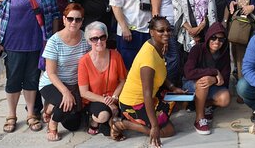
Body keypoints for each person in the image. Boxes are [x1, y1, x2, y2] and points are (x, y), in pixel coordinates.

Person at [0, 0, 60, 134]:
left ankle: (31, 114)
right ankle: (11, 115)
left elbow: (53, 15)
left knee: (32, 79)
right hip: (13, 42)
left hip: (37, 42)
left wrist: (53, 40)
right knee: (13, 79)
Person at [112, 16, 185, 147]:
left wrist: (173, 87)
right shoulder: (148, 58)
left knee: (181, 102)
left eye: (168, 30)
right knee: (169, 130)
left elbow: (160, 72)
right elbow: (146, 94)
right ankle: (124, 124)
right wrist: (155, 126)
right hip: (134, 103)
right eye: (161, 31)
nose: (166, 34)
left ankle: (150, 120)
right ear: (151, 32)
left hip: (150, 95)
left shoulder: (157, 45)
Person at [38, 4, 91, 141]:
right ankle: (52, 124)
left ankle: (50, 108)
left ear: (82, 21)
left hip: (74, 83)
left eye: (78, 19)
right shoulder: (54, 41)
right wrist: (65, 92)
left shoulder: (86, 38)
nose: (74, 22)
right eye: (70, 19)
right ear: (64, 19)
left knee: (73, 125)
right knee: (66, 102)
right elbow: (51, 73)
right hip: (52, 83)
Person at [78, 21, 128, 137]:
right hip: (95, 99)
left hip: (114, 97)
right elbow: (84, 92)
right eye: (94, 39)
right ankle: (95, 120)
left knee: (109, 130)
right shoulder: (84, 61)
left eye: (102, 37)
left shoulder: (115, 56)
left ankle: (103, 123)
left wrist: (114, 98)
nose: (99, 42)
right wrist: (106, 101)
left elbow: (122, 80)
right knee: (103, 115)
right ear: (89, 41)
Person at [183, 22, 231, 135]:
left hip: (212, 85)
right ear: (208, 37)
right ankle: (199, 118)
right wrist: (213, 72)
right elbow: (188, 72)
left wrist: (214, 79)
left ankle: (204, 105)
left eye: (221, 39)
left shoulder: (224, 53)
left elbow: (226, 78)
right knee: (204, 81)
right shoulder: (197, 49)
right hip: (191, 83)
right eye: (213, 38)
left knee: (225, 99)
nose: (217, 42)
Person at [149, 0, 182, 85]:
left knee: (180, 57)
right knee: (172, 58)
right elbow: (155, 11)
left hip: (181, 24)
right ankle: (168, 87)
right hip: (167, 27)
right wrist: (160, 35)